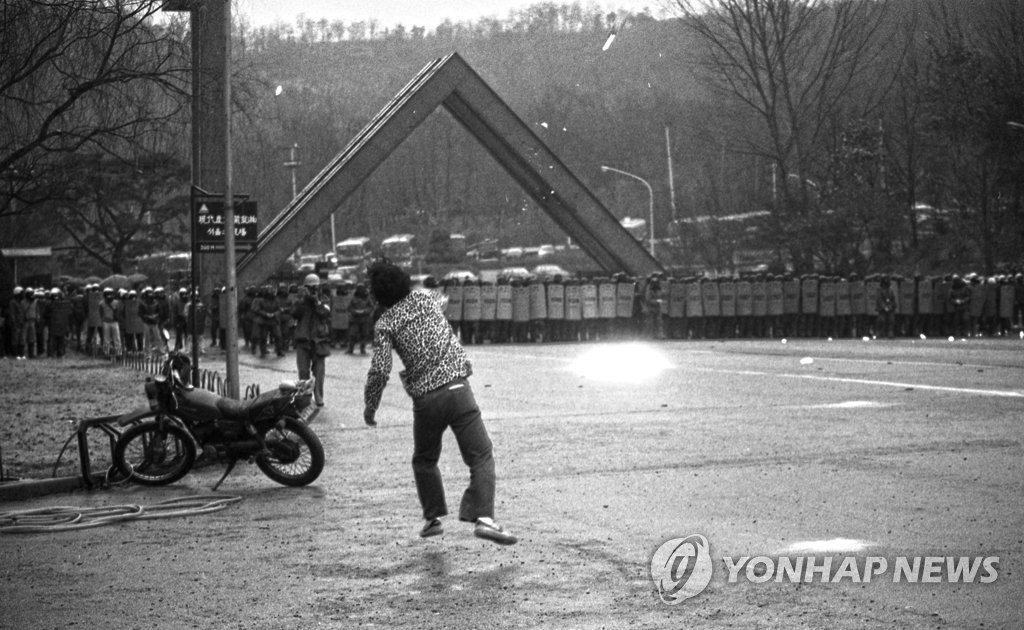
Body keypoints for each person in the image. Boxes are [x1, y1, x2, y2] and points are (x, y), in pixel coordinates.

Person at [361, 260, 518, 546]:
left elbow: (380, 370)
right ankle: (484, 518)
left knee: (424, 459)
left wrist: (370, 406)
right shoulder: (425, 297)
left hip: (426, 400)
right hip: (459, 390)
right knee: (480, 455)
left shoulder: (384, 324)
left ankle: (432, 519)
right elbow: (441, 300)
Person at [293, 274, 331, 407]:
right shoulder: (300, 300)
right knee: (303, 371)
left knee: (319, 372)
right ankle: (305, 398)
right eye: (310, 287)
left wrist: (317, 302)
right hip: (303, 339)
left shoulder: (324, 299)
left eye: (315, 287)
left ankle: (319, 397)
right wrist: (304, 300)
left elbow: (326, 313)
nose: (313, 290)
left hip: (319, 340)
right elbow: (294, 313)